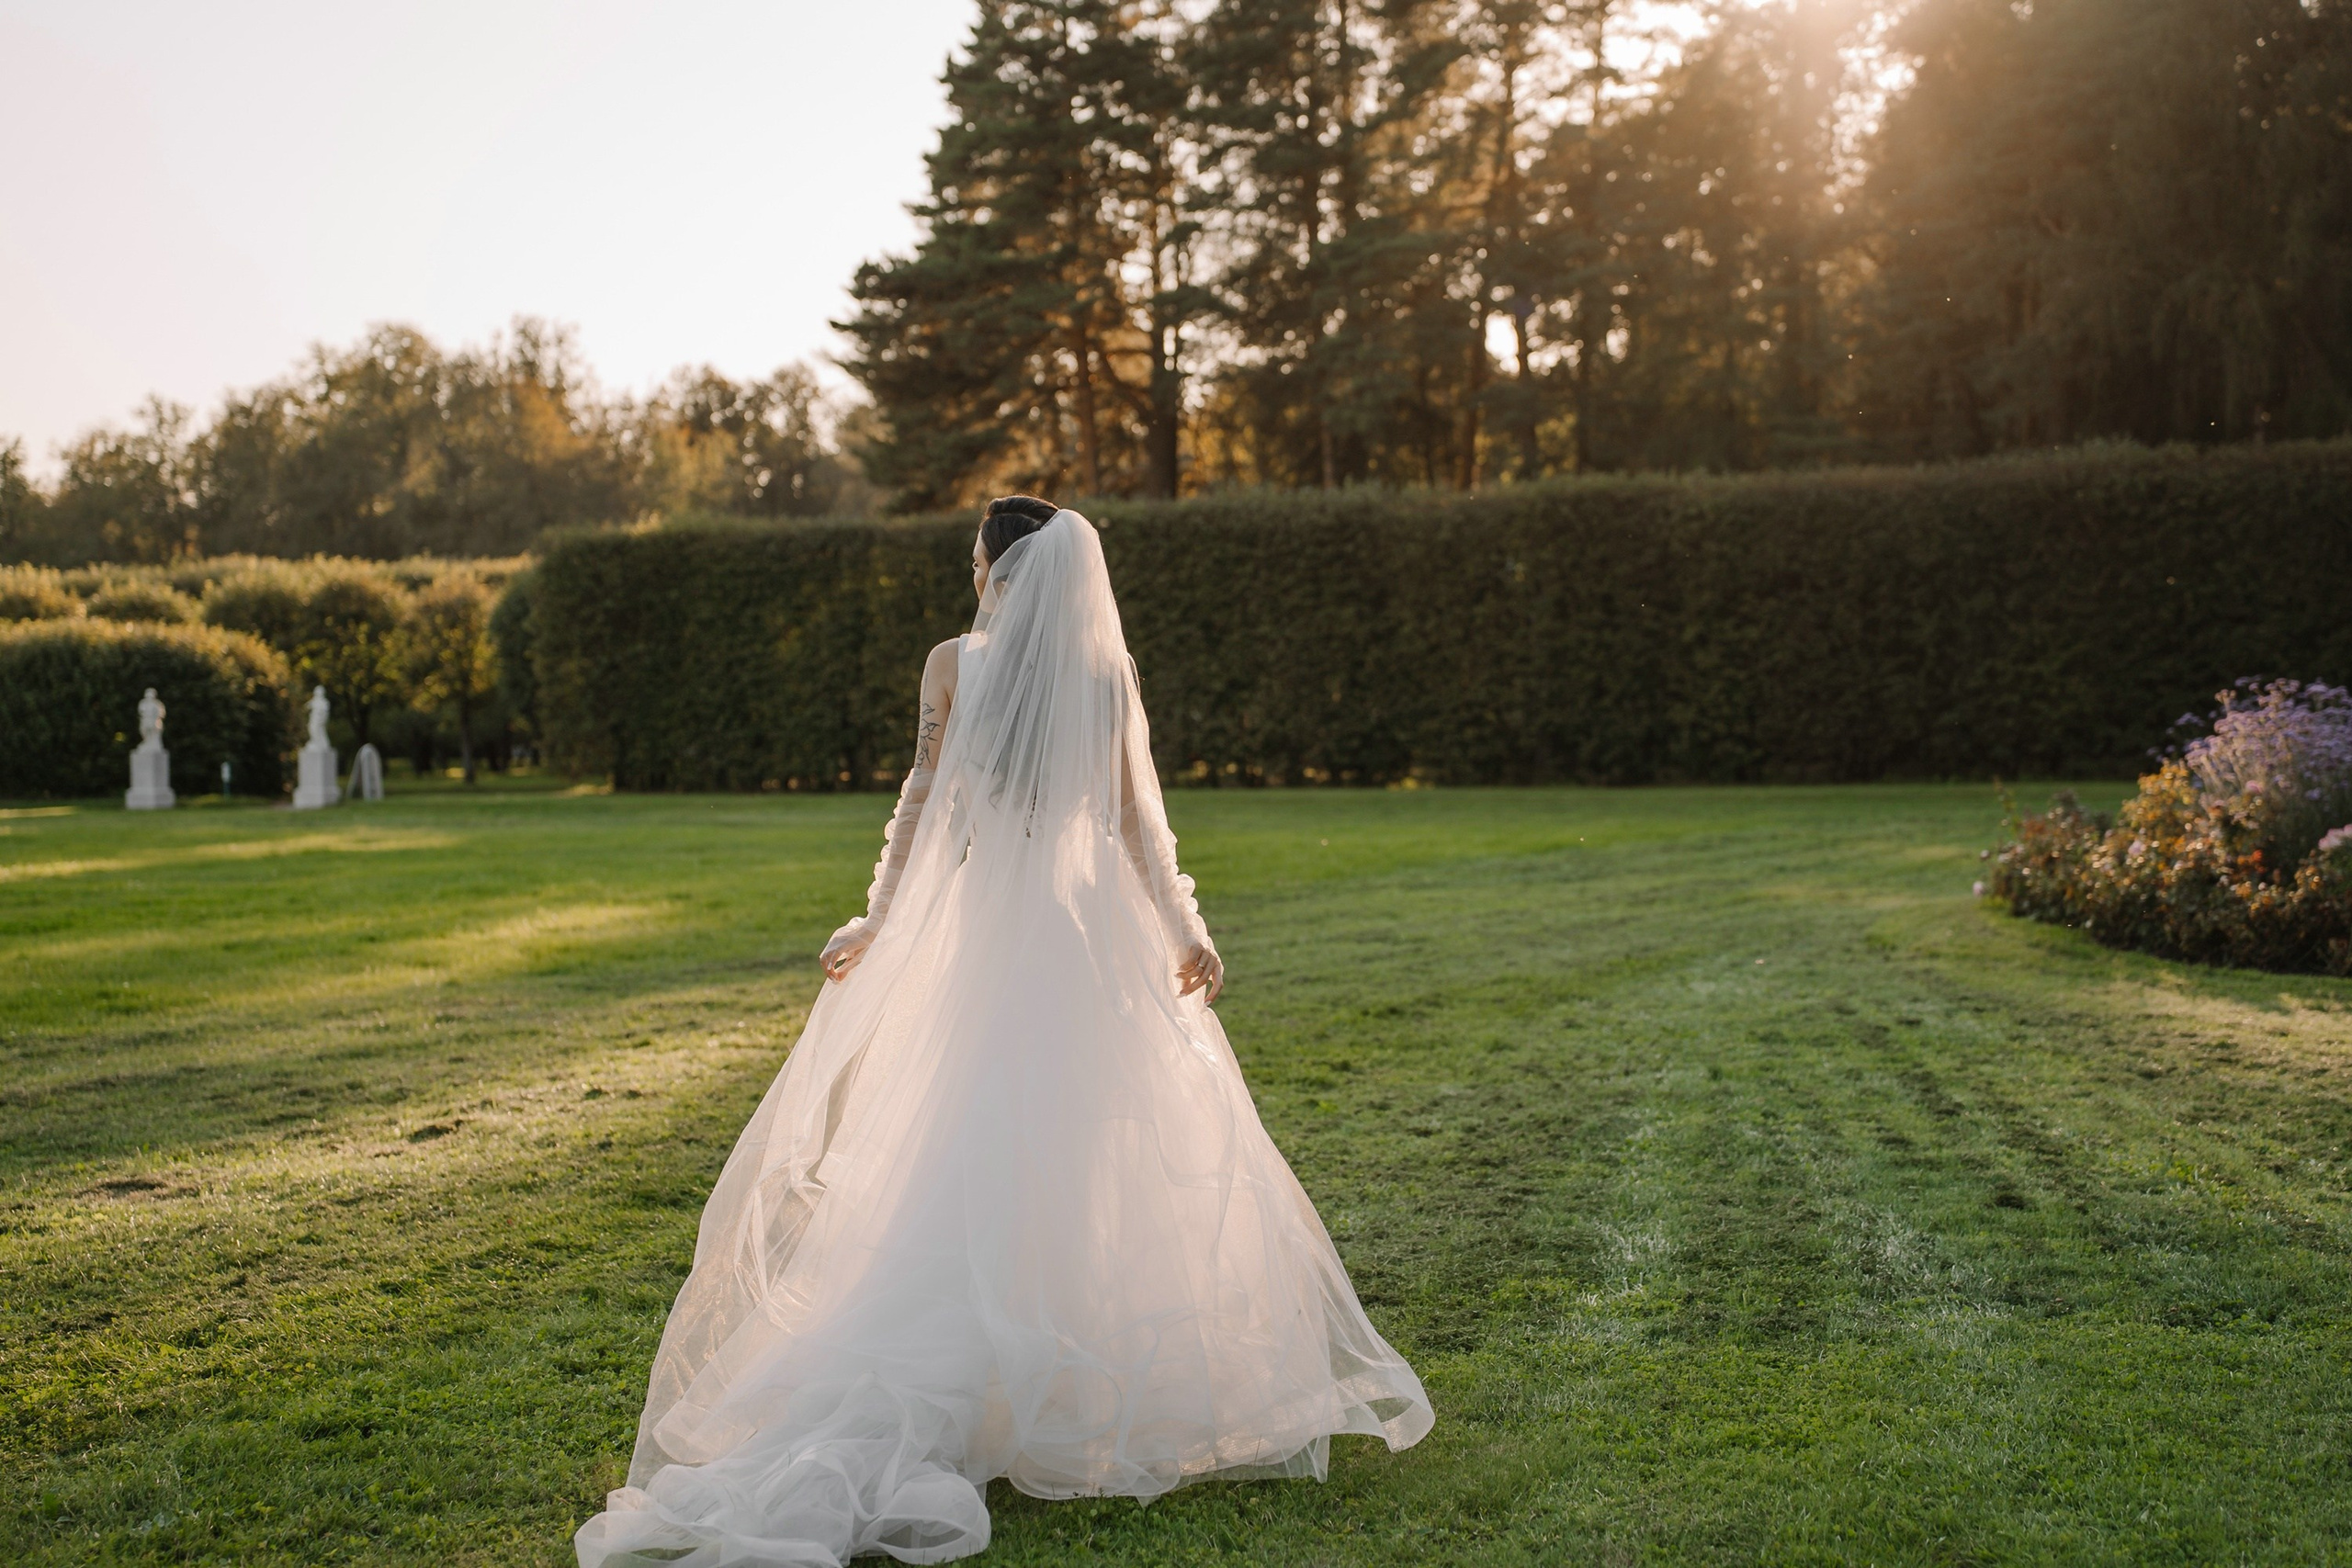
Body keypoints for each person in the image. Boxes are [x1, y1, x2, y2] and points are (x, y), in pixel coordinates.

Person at [577, 497, 1431, 1568]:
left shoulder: (952, 665)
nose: (970, 571)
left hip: (981, 942)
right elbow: (1133, 827)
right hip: (1085, 943)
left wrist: (880, 920)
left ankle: (980, 1379)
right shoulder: (1100, 677)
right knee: (1082, 1152)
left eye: (974, 557)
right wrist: (1186, 931)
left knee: (960, 1145)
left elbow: (920, 808)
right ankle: (1054, 1381)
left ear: (998, 568)